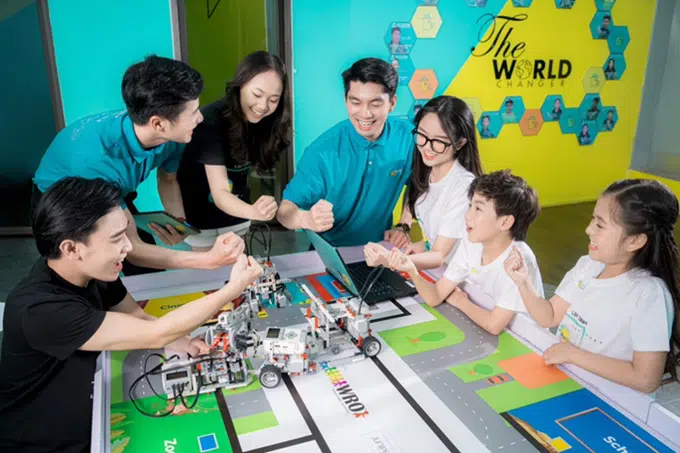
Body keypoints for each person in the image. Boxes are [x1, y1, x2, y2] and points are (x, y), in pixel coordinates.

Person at [0, 177, 263, 452]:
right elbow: (154, 333)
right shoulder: (39, 310)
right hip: (42, 441)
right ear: (71, 248)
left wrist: (180, 341)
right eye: (116, 239)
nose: (128, 247)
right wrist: (232, 288)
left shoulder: (94, 271)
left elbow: (137, 317)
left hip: (85, 406)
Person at [32, 55, 243, 273]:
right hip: (61, 199)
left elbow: (168, 179)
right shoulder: (97, 162)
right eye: (192, 113)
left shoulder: (172, 135)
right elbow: (134, 250)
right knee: (90, 273)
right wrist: (208, 260)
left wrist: (180, 223)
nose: (200, 118)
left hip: (111, 188)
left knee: (147, 270)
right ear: (158, 124)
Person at [504, 179, 680, 393]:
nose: (588, 229)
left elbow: (646, 378)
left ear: (634, 241)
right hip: (567, 383)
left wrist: (573, 355)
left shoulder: (649, 293)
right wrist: (523, 281)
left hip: (608, 402)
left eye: (600, 224)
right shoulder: (588, 266)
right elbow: (548, 316)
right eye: (592, 220)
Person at [367, 170, 543, 335]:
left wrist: (461, 301)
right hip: (488, 322)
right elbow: (436, 296)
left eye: (478, 209)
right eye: (470, 206)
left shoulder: (518, 259)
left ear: (505, 222)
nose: (467, 215)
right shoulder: (472, 244)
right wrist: (412, 269)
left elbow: (494, 325)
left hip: (526, 337)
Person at [277, 58, 413, 248]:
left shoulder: (408, 137)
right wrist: (305, 218)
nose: (365, 114)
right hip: (328, 254)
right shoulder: (322, 152)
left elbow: (419, 184)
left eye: (375, 104)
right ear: (345, 100)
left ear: (392, 103)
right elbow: (285, 211)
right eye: (355, 102)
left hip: (379, 251)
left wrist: (404, 225)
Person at [177, 51, 292, 250]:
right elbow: (220, 193)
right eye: (257, 94)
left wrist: (254, 210)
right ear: (240, 85)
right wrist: (256, 212)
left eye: (274, 99)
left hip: (238, 215)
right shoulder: (210, 121)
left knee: (241, 276)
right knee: (209, 279)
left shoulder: (265, 122)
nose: (263, 106)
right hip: (200, 222)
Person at [364, 96, 483, 270]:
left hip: (469, 279)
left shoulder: (464, 186)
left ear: (460, 143)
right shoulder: (426, 170)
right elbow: (440, 241)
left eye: (439, 141)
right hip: (443, 273)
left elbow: (439, 256)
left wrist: (389, 259)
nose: (427, 147)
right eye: (422, 135)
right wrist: (421, 247)